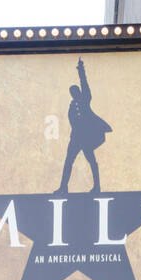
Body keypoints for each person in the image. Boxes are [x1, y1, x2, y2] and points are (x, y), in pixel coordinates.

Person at [56, 58, 112, 195]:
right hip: (76, 138)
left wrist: (81, 70)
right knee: (68, 162)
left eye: (75, 91)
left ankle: (97, 187)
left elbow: (84, 83)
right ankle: (63, 187)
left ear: (79, 92)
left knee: (92, 162)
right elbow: (73, 122)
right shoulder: (72, 106)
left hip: (86, 137)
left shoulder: (85, 99)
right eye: (72, 92)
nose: (74, 94)